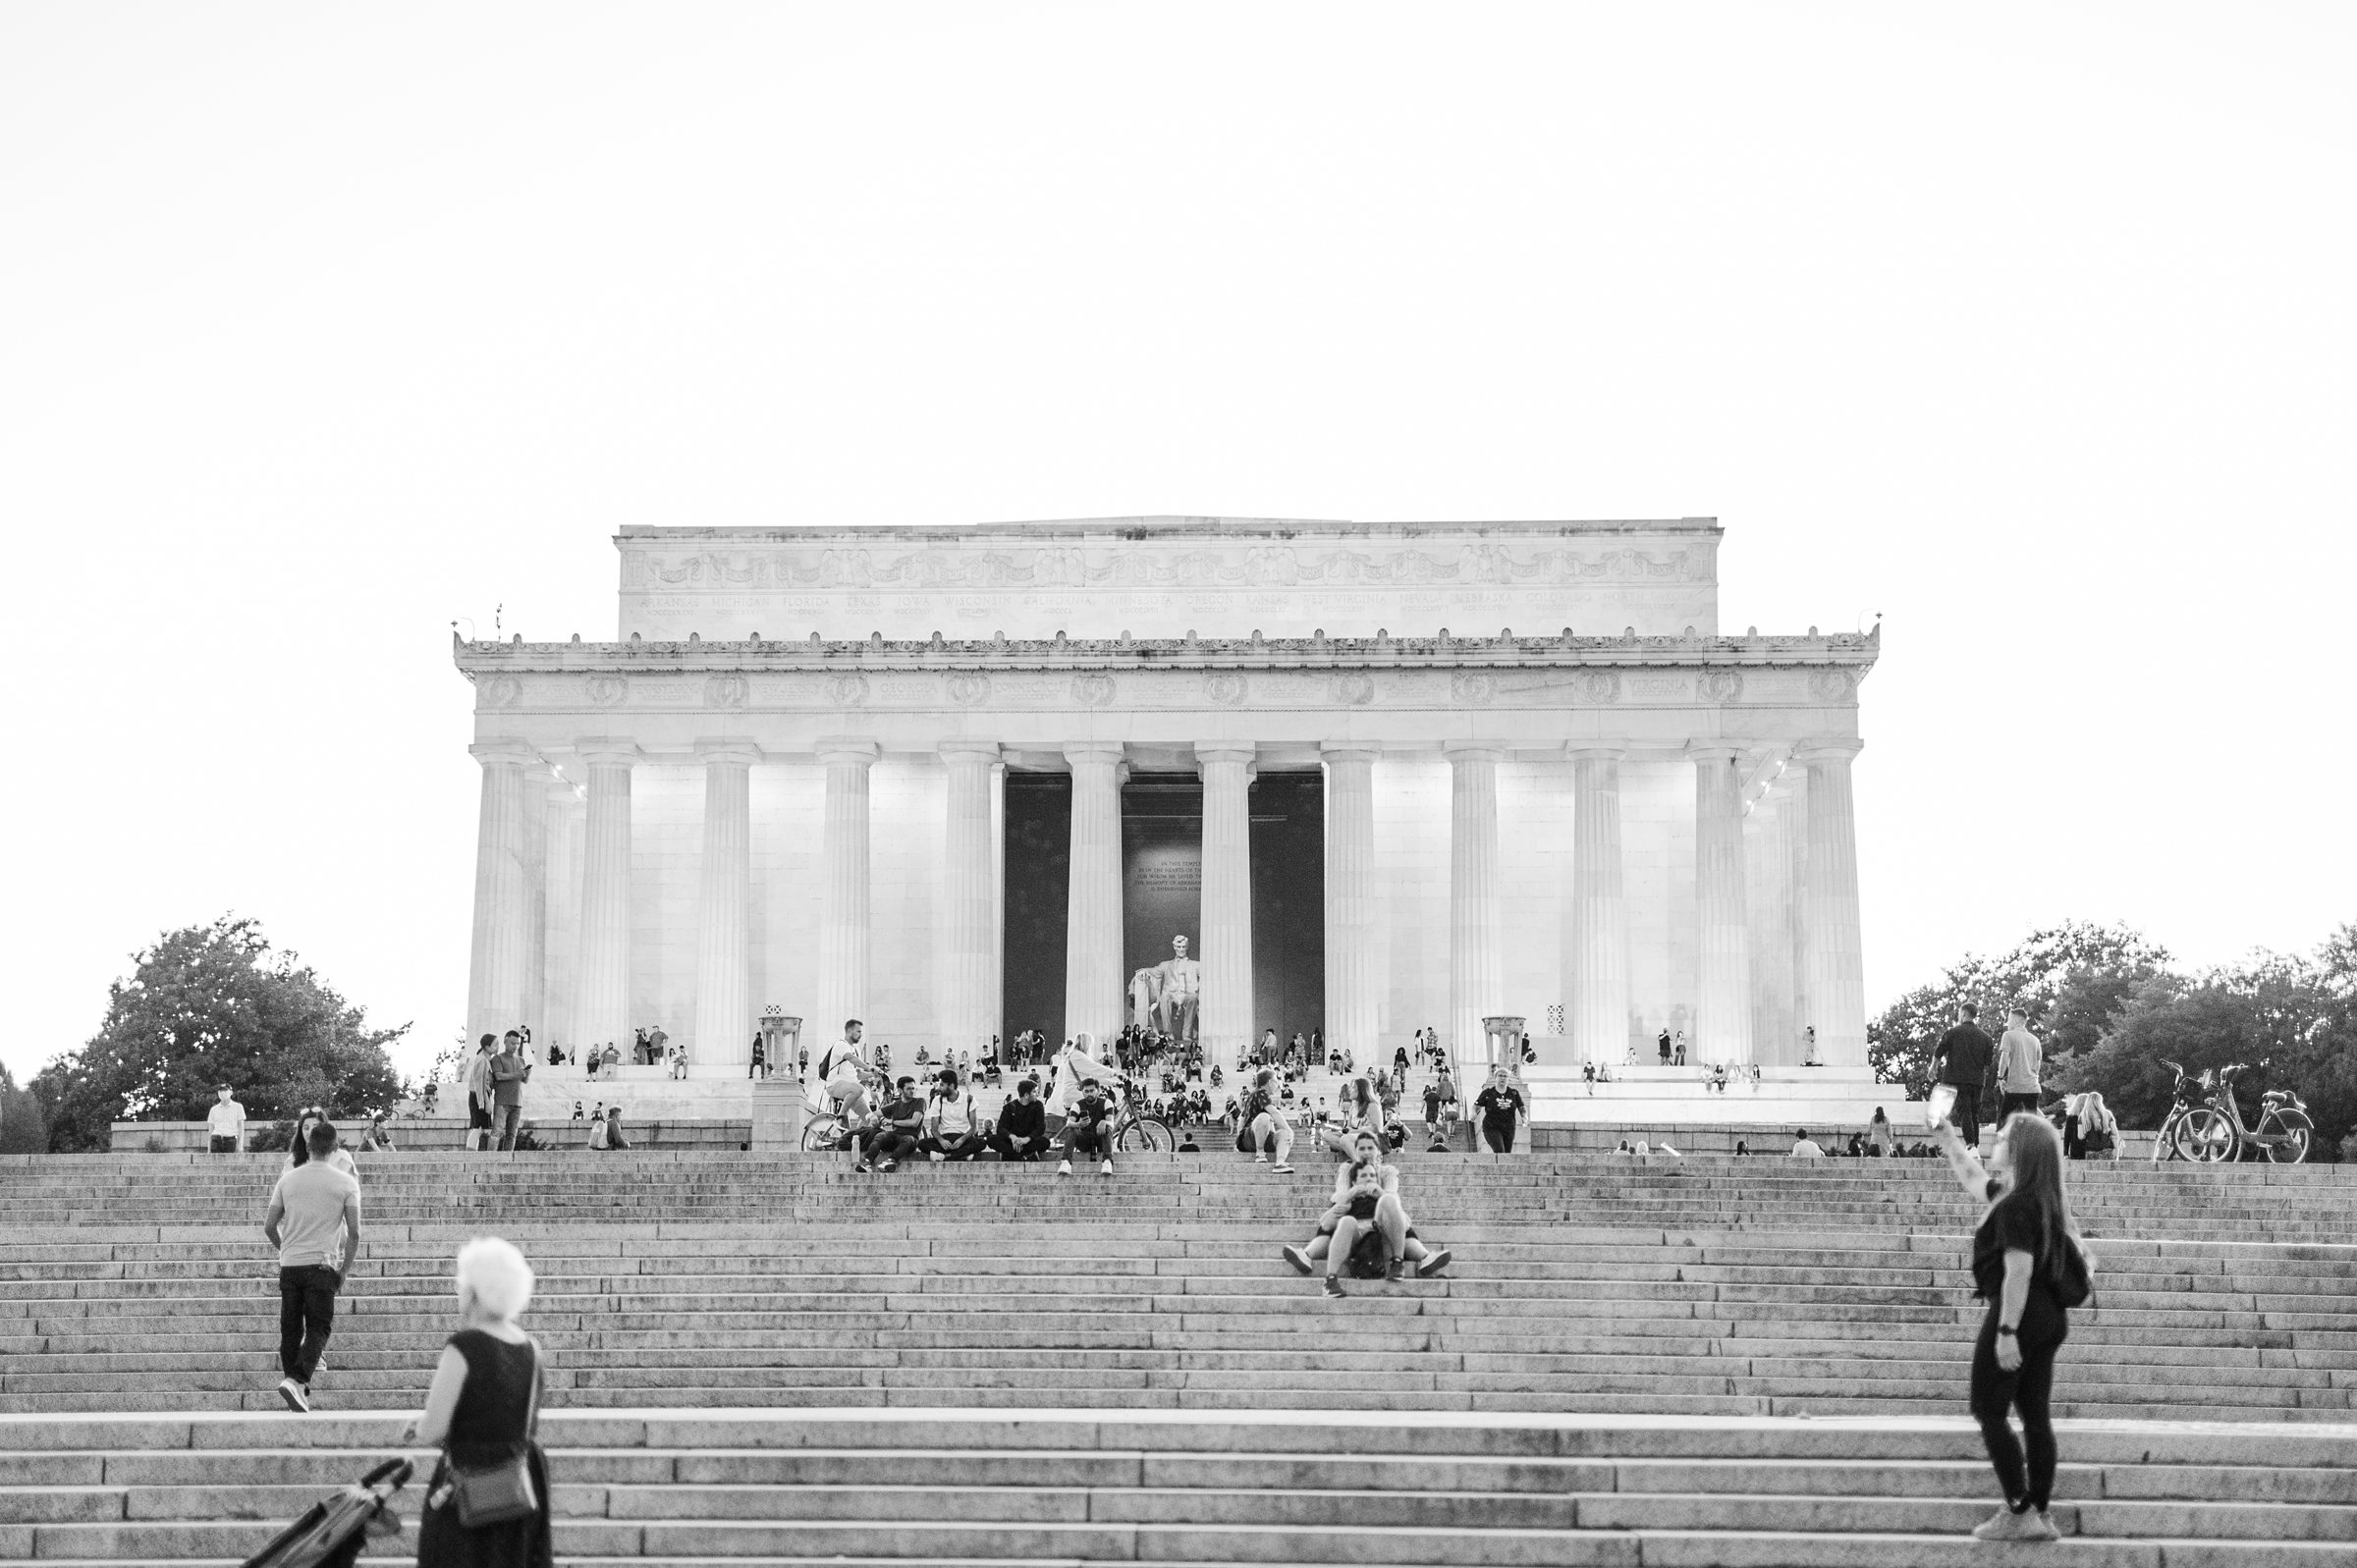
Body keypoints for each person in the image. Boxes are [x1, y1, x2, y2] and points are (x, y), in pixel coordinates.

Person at [1934, 1109, 2089, 1541]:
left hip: (2020, 1315)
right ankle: (2039, 1511)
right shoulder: (2031, 1198)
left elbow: (2017, 1273)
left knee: (1987, 1409)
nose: (1996, 1140)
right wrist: (1949, 1138)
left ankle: (2019, 1509)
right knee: (2034, 1415)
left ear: (2019, 1151)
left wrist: (2005, 1333)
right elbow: (1972, 1179)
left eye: (2002, 1137)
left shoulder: (2018, 1204)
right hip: (2048, 1318)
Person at [403, 1236, 553, 1568]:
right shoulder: (531, 1348)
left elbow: (434, 1428)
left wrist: (418, 1427)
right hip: (518, 1490)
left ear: (473, 1291)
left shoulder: (464, 1346)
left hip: (469, 1493)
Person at [262, 1119, 362, 1412]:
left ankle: (295, 1387)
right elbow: (355, 1232)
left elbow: (269, 1226)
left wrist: (287, 1250)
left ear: (308, 1146)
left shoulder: (288, 1180)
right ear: (334, 1149)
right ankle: (296, 1381)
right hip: (322, 1265)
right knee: (318, 1327)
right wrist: (344, 1271)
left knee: (290, 1330)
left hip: (290, 1266)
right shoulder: (346, 1182)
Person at [1280, 1129, 1452, 1296]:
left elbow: (1392, 1198)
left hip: (1383, 1222)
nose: (1366, 1152)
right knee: (1339, 1215)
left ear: (1378, 1151)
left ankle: (1411, 1260)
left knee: (1389, 1203)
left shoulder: (1387, 1172)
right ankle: (1310, 1258)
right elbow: (1339, 1198)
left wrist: (1377, 1192)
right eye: (1361, 1148)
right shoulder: (1348, 1170)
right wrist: (1353, 1193)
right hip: (1352, 1219)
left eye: (1370, 1148)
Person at [1931, 1002, 1997, 1151]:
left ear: (1964, 1014)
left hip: (1957, 1080)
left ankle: (1970, 1144)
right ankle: (1975, 1145)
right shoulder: (1986, 1038)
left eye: (1960, 1014)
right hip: (1977, 1081)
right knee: (1974, 1113)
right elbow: (1988, 1062)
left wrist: (1932, 1067)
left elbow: (1939, 1051)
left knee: (1964, 1111)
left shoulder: (1953, 1032)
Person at [855, 1077, 925, 1173]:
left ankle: (890, 1161)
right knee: (880, 1135)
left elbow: (914, 1123)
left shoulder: (919, 1102)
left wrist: (893, 1122)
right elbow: (875, 1113)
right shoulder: (895, 1105)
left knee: (908, 1139)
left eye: (913, 1088)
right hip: (895, 1138)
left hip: (910, 1141)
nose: (912, 1091)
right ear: (900, 1090)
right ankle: (867, 1162)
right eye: (908, 1089)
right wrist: (873, 1118)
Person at [1237, 1066, 1296, 1172]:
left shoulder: (1254, 1095)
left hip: (1258, 1138)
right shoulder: (1260, 1092)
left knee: (1284, 1133)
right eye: (1276, 1080)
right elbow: (1274, 1113)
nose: (1277, 1084)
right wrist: (1289, 1129)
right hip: (1251, 1138)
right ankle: (1260, 1152)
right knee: (1265, 1117)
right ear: (1269, 1082)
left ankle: (1280, 1163)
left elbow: (1241, 1120)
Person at [919, 1069, 986, 1162]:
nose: (939, 1088)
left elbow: (974, 1128)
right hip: (944, 1138)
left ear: (951, 1086)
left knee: (981, 1142)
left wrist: (962, 1139)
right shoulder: (937, 1100)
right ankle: (962, 1155)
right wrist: (941, 1140)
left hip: (962, 1137)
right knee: (922, 1143)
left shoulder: (969, 1099)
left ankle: (946, 1156)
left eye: (942, 1085)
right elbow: (934, 1129)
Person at [817, 1019, 874, 1124]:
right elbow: (851, 1058)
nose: (861, 1034)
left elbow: (858, 1074)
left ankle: (858, 1137)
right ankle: (841, 1116)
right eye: (858, 1031)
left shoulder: (855, 1049)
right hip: (835, 1085)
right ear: (849, 1031)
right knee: (858, 1089)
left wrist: (873, 1074)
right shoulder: (840, 1045)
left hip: (851, 1090)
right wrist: (869, 1067)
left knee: (870, 1119)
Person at [1996, 1007, 2044, 1128]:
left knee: (2005, 1118)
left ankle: (2008, 1144)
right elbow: (2037, 1065)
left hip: (2015, 1086)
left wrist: (2000, 1078)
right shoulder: (2035, 1040)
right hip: (2032, 1087)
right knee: (2031, 1123)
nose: (2007, 1022)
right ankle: (2030, 1146)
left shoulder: (2008, 1035)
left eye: (2009, 1019)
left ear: (2016, 1020)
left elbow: (2004, 1058)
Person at [1059, 1076, 1117, 1177]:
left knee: (1107, 1128)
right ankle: (1066, 1162)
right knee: (1073, 1129)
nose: (1089, 1094)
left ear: (1098, 1091)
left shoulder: (1107, 1103)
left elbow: (1111, 1124)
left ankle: (1107, 1161)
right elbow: (1068, 1123)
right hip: (1084, 1140)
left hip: (1101, 1139)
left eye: (1092, 1091)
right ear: (1082, 1092)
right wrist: (1078, 1124)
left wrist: (1104, 1122)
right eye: (1086, 1091)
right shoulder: (1077, 1105)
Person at [991, 1077, 1048, 1161]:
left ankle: (1011, 1155)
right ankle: (1024, 1155)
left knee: (1045, 1142)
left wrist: (1026, 1139)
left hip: (1028, 1141)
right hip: (1012, 1142)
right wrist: (1012, 1137)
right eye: (1034, 1092)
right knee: (991, 1139)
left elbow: (1040, 1128)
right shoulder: (1009, 1107)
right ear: (1026, 1095)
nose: (1037, 1094)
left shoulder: (1038, 1105)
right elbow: (1001, 1128)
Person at [1473, 1065, 1525, 1155]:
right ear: (1495, 1078)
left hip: (1508, 1127)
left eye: (1505, 1076)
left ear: (1508, 1079)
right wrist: (1473, 1114)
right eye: (1500, 1075)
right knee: (1499, 1151)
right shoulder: (1488, 1092)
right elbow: (1476, 1106)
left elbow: (1521, 1107)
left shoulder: (1514, 1093)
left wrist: (1524, 1116)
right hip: (1491, 1127)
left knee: (1507, 1154)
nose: (1502, 1078)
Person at [466, 1035, 497, 1152]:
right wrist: (484, 1103)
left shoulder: (485, 1060)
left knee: (480, 1128)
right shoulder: (482, 1060)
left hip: (480, 1096)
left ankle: (473, 1153)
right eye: (495, 1044)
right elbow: (480, 1084)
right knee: (478, 1128)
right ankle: (470, 1155)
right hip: (479, 1096)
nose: (497, 1047)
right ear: (487, 1046)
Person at [206, 1085, 246, 1154]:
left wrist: (240, 1145)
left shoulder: (238, 1107)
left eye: (225, 1090)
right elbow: (211, 1130)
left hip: (230, 1140)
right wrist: (209, 1148)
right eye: (221, 1091)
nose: (222, 1093)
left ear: (231, 1092)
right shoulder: (213, 1109)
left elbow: (241, 1127)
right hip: (216, 1140)